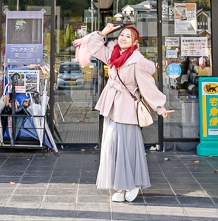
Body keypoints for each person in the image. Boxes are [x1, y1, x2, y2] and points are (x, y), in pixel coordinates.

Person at [73, 22, 173, 203]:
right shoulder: (113, 54)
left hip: (127, 109)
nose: (123, 38)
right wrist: (104, 32)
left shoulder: (137, 62)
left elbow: (147, 86)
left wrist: (160, 107)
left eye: (128, 36)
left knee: (128, 148)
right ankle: (119, 185)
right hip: (112, 106)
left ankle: (132, 184)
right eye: (122, 35)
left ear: (135, 42)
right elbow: (94, 47)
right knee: (112, 148)